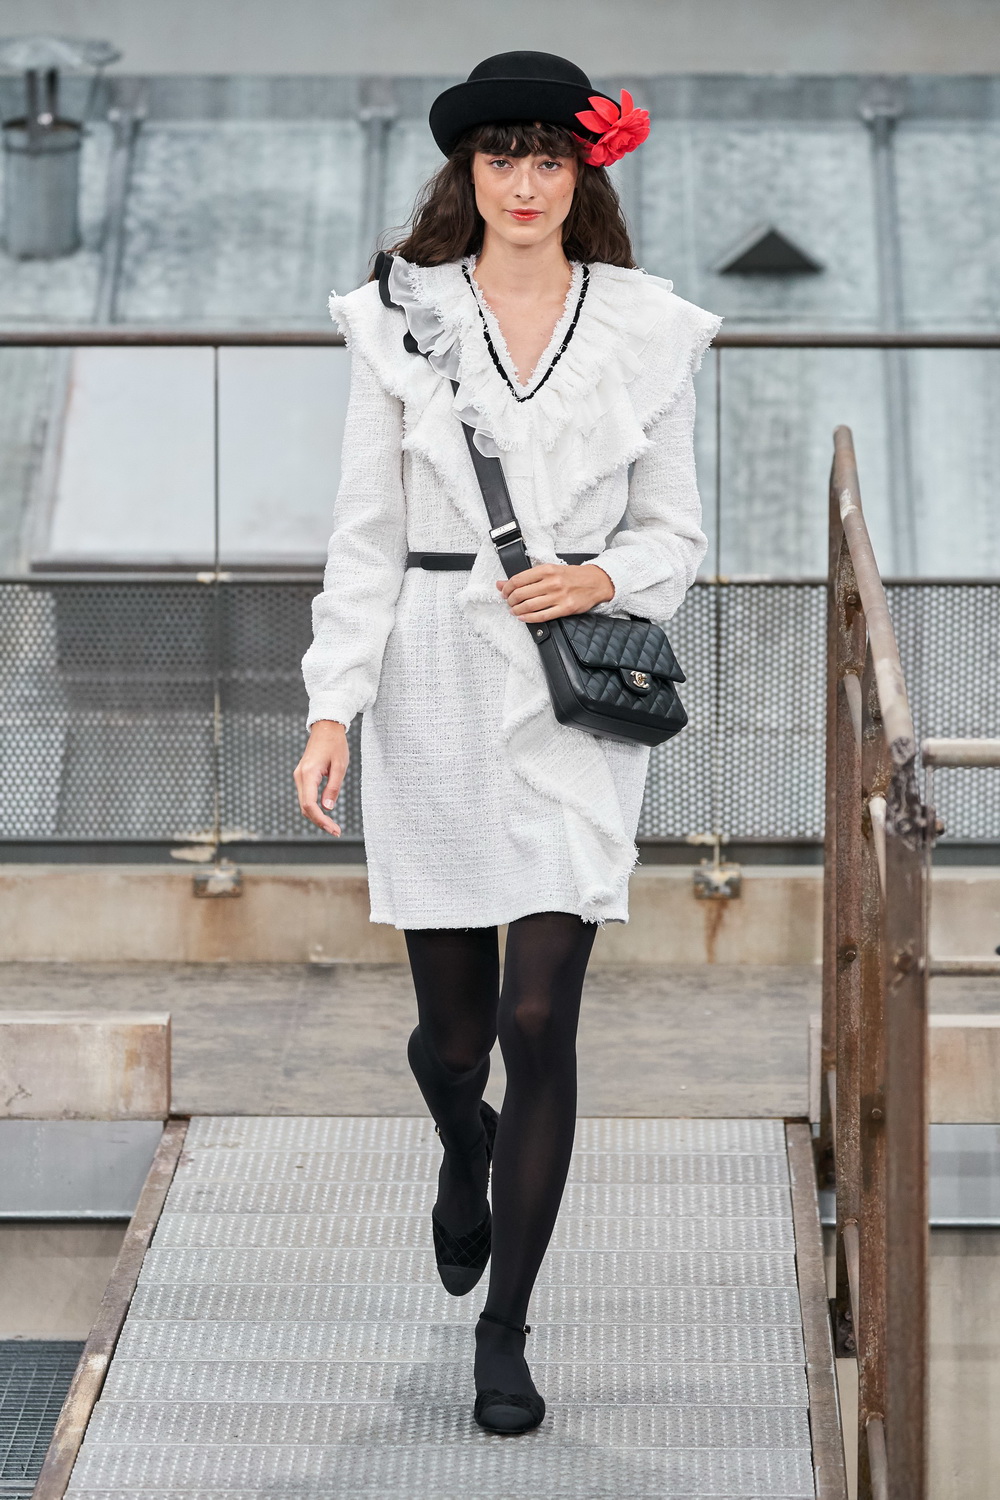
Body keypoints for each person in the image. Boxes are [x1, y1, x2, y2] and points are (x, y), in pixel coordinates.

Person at [295, 50, 721, 1434]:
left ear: (583, 171)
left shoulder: (649, 328)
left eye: (549, 158)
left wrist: (601, 578)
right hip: (429, 678)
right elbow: (364, 536)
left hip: (566, 694)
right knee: (453, 1036)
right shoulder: (398, 320)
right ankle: (458, 1141)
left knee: (540, 1017)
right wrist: (331, 705)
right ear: (466, 174)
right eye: (502, 159)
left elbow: (676, 532)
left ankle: (507, 1328)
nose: (525, 183)